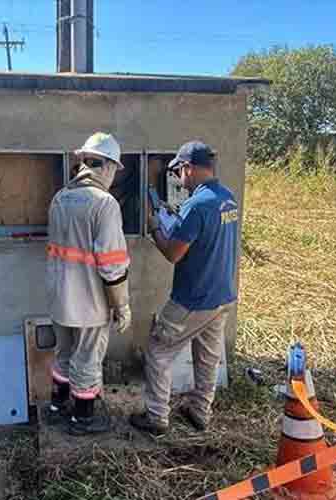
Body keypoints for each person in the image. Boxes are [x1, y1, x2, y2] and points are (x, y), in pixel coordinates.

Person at [130, 141, 239, 435]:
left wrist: (155, 227)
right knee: (207, 357)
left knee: (158, 350)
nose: (178, 178)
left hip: (192, 298)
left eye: (178, 171)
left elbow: (173, 253)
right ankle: (200, 413)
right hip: (221, 296)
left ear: (188, 168)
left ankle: (156, 418)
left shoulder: (197, 205)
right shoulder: (227, 199)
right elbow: (206, 237)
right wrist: (175, 216)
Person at [46, 132, 132, 435]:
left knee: (64, 354)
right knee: (87, 359)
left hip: (59, 299)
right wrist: (121, 305)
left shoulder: (60, 198)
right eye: (114, 169)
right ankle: (83, 418)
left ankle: (57, 406)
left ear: (83, 161)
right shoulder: (104, 204)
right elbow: (112, 264)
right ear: (106, 166)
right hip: (89, 303)